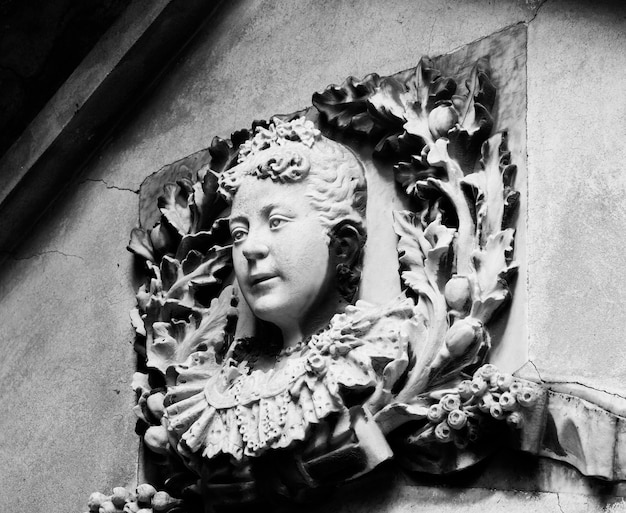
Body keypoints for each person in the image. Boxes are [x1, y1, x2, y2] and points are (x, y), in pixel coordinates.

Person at [163, 118, 414, 504]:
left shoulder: (370, 351)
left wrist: (274, 483)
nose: (250, 249)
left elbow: (364, 450)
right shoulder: (219, 385)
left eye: (276, 222)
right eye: (239, 233)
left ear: (342, 244)